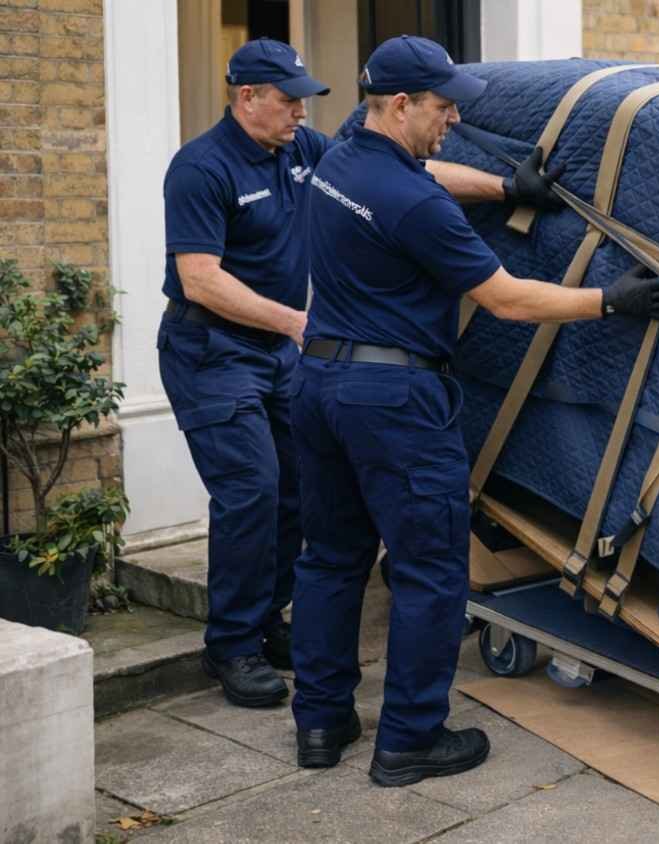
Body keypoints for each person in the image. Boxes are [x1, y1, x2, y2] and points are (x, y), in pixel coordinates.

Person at [289, 35, 659, 785]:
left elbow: (428, 169)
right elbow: (506, 299)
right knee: (430, 570)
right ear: (401, 105)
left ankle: (320, 722)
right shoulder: (414, 204)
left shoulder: (340, 153)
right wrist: (612, 300)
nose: (453, 119)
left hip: (317, 385)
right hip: (394, 401)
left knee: (331, 560)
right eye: (442, 107)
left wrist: (507, 190)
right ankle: (409, 739)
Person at [160, 38, 542, 710]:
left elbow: (406, 178)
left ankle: (271, 618)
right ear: (246, 97)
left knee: (296, 498)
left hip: (285, 352)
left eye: (306, 101)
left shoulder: (303, 153)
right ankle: (232, 645)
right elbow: (200, 280)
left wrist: (506, 187)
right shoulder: (201, 168)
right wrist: (297, 323)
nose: (302, 113)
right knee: (251, 489)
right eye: (288, 101)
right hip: (213, 351)